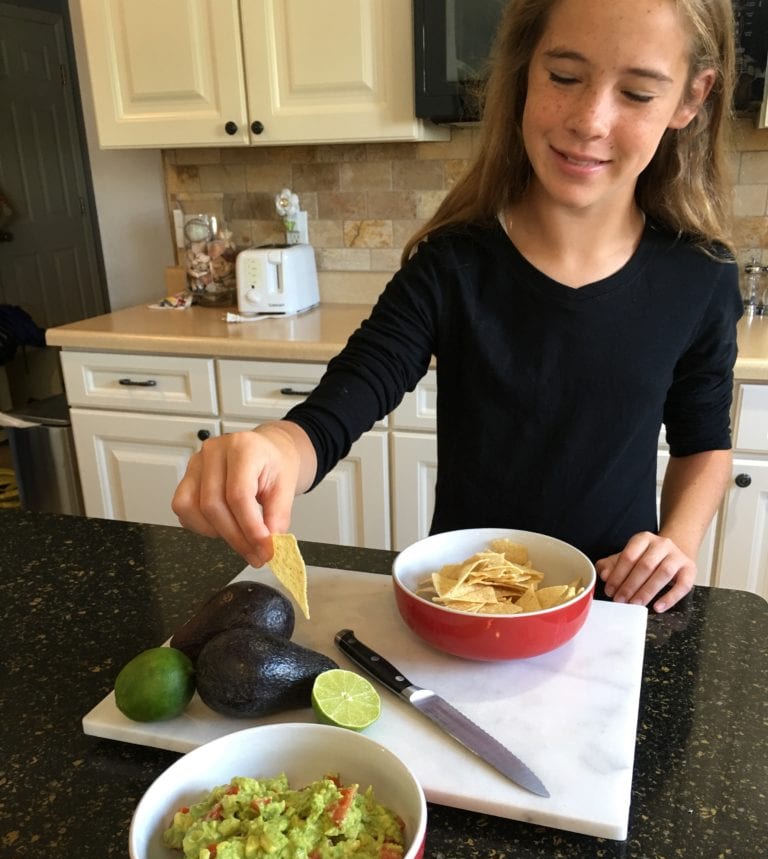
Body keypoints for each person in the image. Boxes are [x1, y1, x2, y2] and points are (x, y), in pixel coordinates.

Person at [172, 0, 741, 615]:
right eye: (565, 77)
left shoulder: (700, 277)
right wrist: (276, 447)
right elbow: (356, 388)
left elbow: (703, 441)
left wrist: (676, 544)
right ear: (524, 70)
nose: (591, 119)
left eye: (636, 92)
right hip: (463, 606)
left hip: (616, 609)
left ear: (691, 97)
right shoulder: (452, 265)